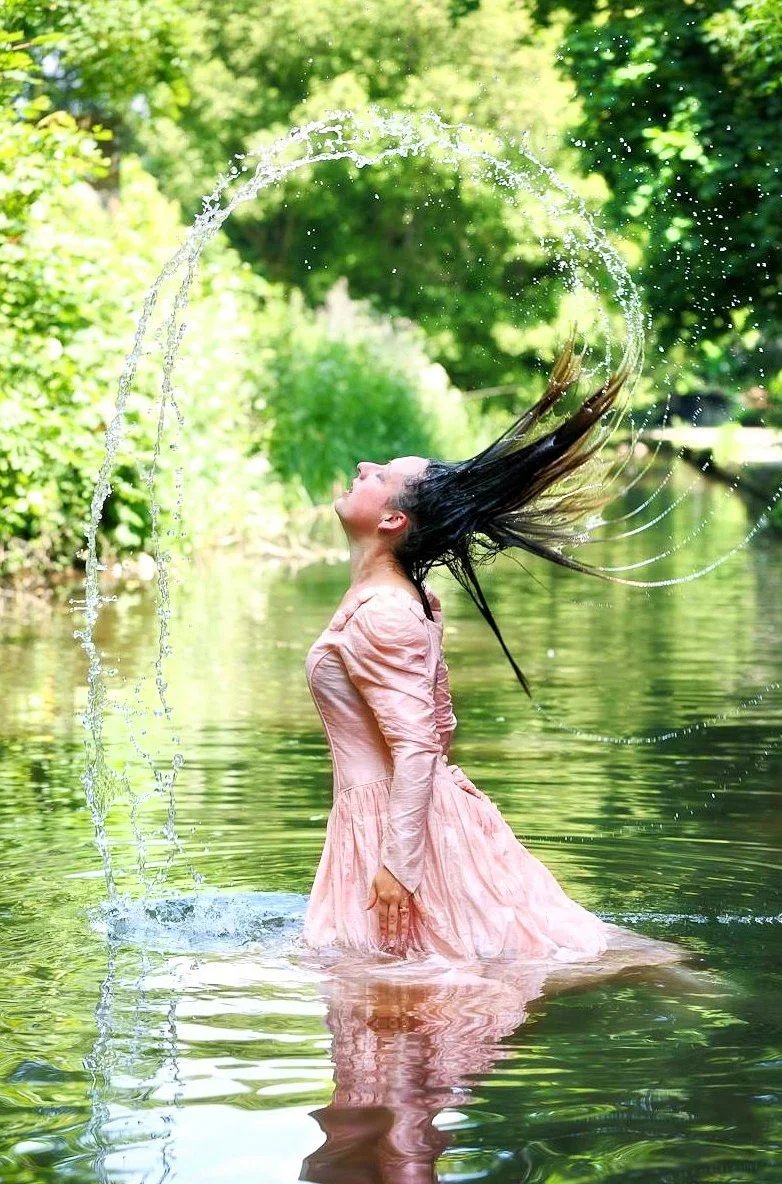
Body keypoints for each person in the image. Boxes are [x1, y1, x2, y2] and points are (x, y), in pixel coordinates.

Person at [301, 329, 684, 966]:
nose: (364, 467)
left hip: (394, 834)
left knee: (407, 994)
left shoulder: (386, 611)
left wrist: (399, 864)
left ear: (393, 520)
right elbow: (439, 724)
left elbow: (421, 743)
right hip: (407, 822)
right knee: (441, 978)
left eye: (381, 476)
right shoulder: (406, 602)